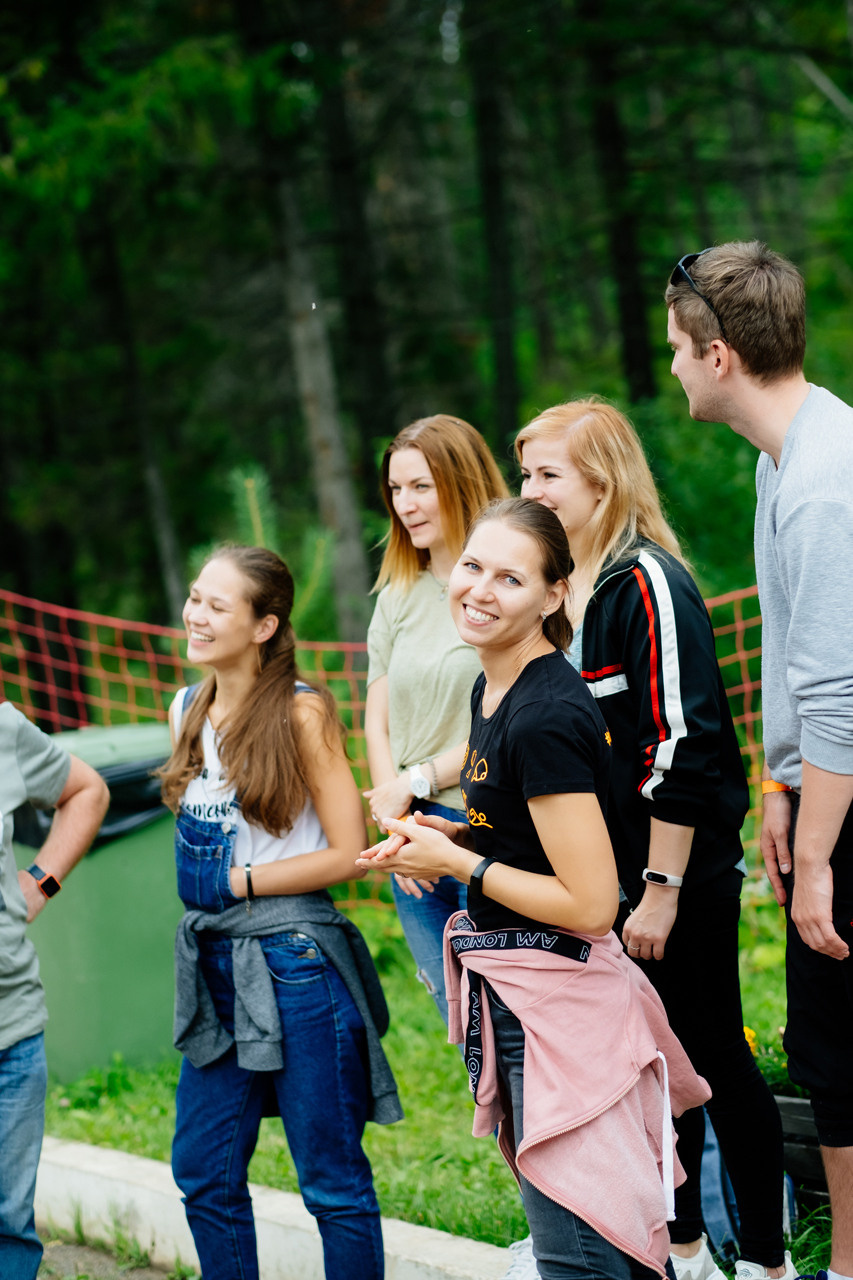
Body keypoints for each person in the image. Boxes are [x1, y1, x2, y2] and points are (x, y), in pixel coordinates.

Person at [358, 498, 711, 1280]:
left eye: (510, 578)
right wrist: (455, 840)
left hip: (558, 1008)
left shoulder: (543, 712)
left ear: (553, 596)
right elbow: (535, 842)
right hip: (520, 992)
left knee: (580, 1259)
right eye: (474, 567)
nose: (480, 589)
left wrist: (459, 868)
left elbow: (590, 906)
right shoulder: (493, 692)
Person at [517, 398, 794, 1280]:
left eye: (546, 475)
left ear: (601, 481)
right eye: (524, 474)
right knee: (653, 1070)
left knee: (713, 1061)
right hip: (618, 886)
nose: (531, 491)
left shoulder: (645, 583)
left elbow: (685, 742)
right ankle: (681, 1246)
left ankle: (765, 1260)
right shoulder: (576, 591)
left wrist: (660, 888)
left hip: (676, 879)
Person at [665, 241, 853, 1280]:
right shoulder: (777, 456)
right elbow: (791, 652)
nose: (674, 370)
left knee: (840, 1041)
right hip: (819, 783)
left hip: (849, 790)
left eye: (678, 352)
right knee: (825, 1048)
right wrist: (779, 786)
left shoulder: (828, 480)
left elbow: (841, 695)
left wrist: (817, 854)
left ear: (721, 353)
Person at [158, 545, 401, 1280]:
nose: (195, 615)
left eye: (216, 605)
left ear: (264, 625)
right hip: (218, 964)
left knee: (330, 1181)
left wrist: (239, 883)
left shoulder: (301, 712)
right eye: (195, 597)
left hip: (296, 963)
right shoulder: (186, 707)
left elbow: (350, 852)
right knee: (203, 1171)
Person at [364, 413, 508, 1025]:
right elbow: (378, 720)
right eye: (396, 490)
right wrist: (396, 813)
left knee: (515, 1014)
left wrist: (417, 780)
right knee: (459, 1015)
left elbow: (503, 716)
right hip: (412, 830)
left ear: (460, 479)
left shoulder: (502, 586)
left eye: (420, 486)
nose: (406, 505)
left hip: (483, 821)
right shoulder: (397, 594)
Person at [0, 699, 109, 1279]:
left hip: (11, 1028)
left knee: (9, 1227)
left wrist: (40, 882)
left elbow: (86, 790)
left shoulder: (2, 728)